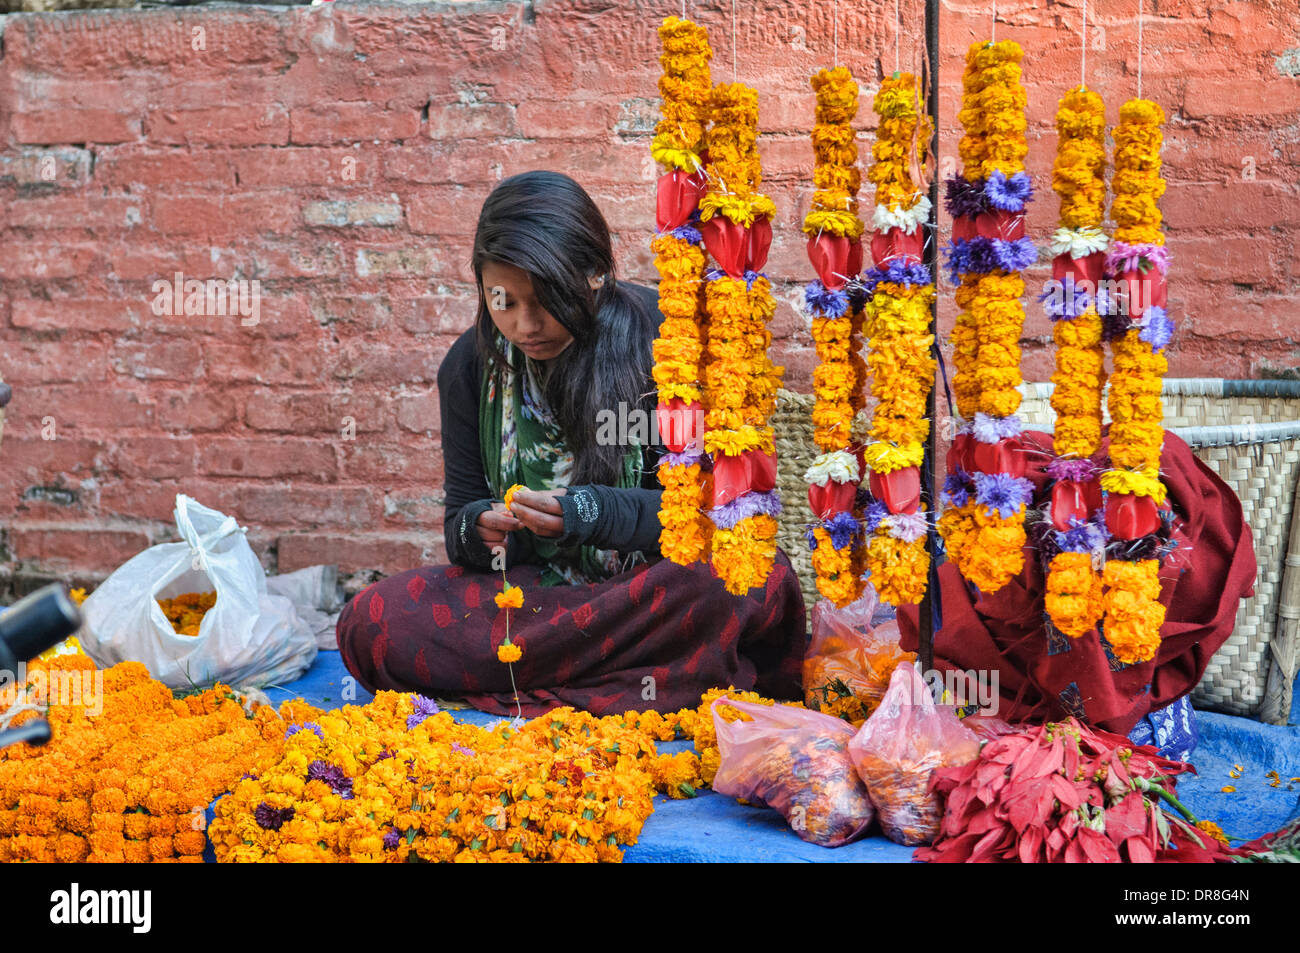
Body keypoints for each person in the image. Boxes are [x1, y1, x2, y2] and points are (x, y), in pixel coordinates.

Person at [336, 170, 805, 717]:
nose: (526, 324)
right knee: (372, 621)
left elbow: (710, 511)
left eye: (546, 299)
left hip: (647, 590)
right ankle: (648, 685)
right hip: (543, 599)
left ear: (594, 274)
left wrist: (586, 513)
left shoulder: (667, 339)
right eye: (503, 301)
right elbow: (458, 526)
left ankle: (531, 688)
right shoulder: (470, 367)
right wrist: (482, 529)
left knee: (749, 578)